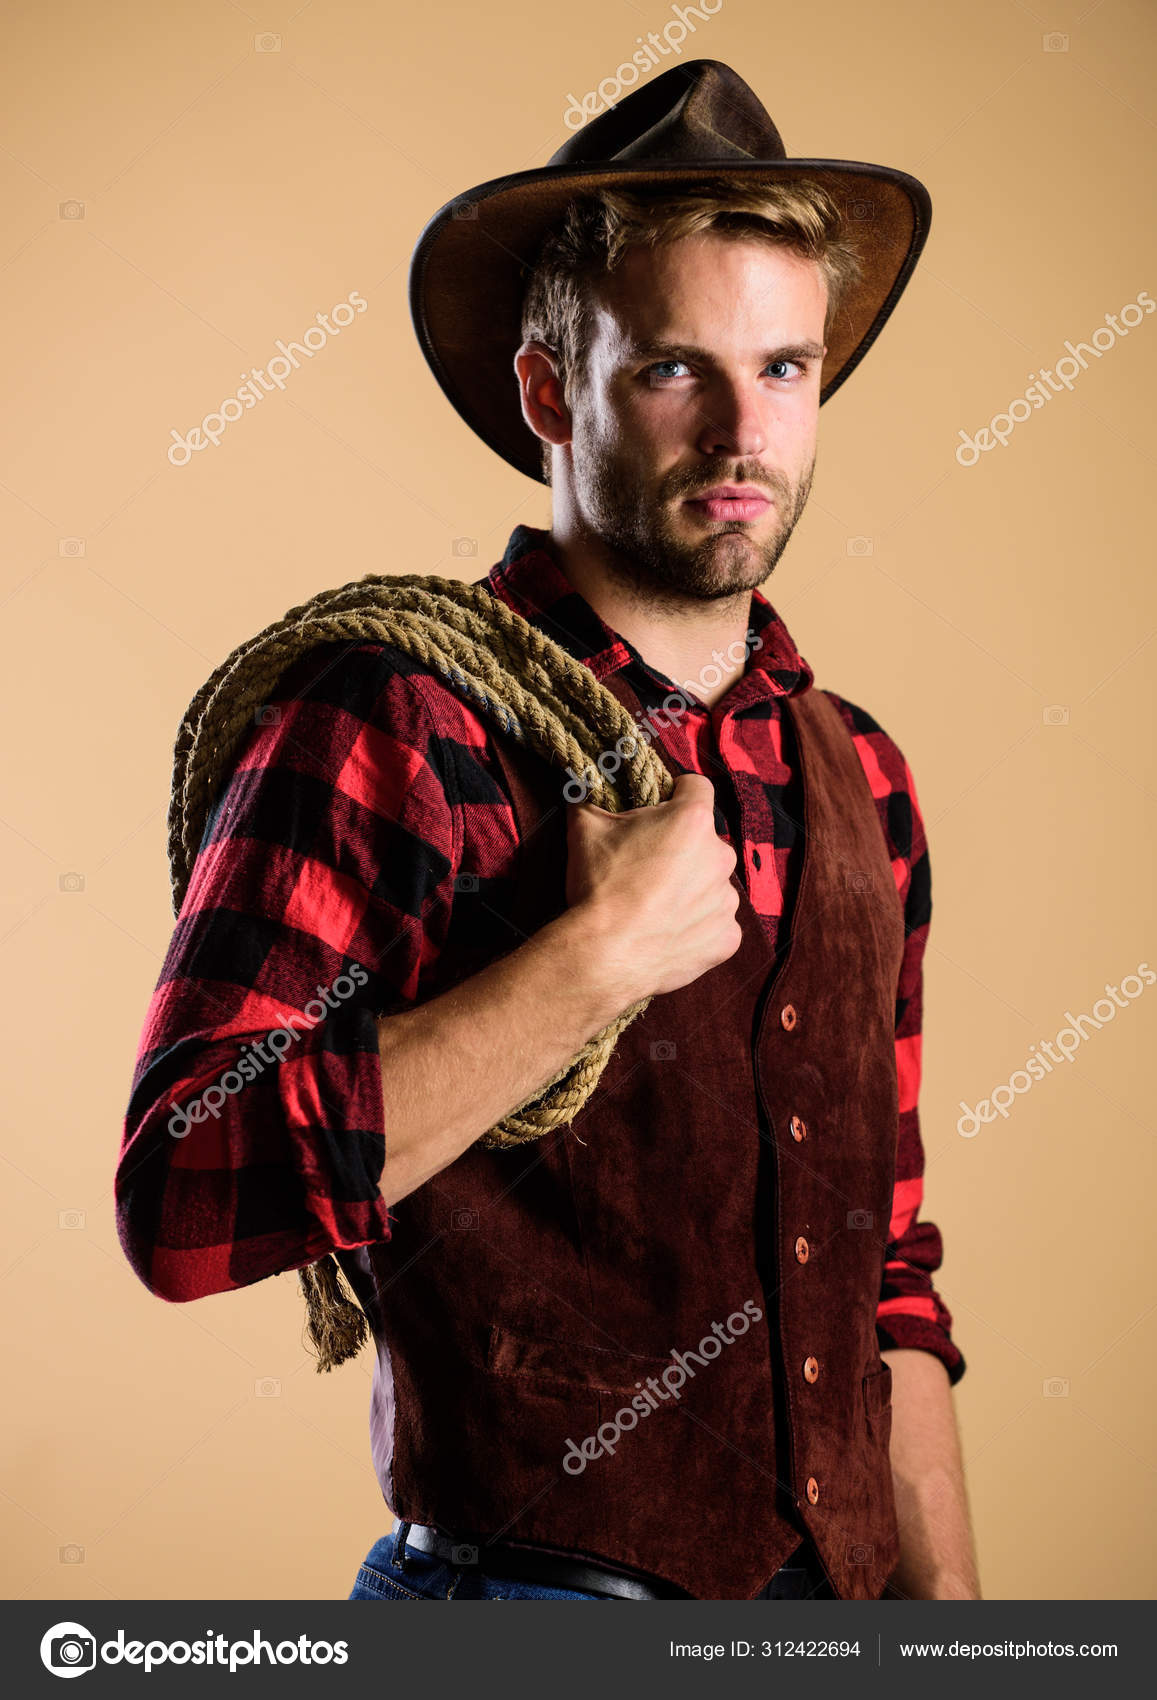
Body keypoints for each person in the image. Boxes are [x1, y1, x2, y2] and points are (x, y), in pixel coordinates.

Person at [117, 60, 980, 1602]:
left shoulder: (860, 779)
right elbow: (187, 1197)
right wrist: (589, 963)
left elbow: (882, 1282)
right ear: (546, 397)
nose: (741, 431)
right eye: (670, 370)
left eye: (782, 369)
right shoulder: (394, 718)